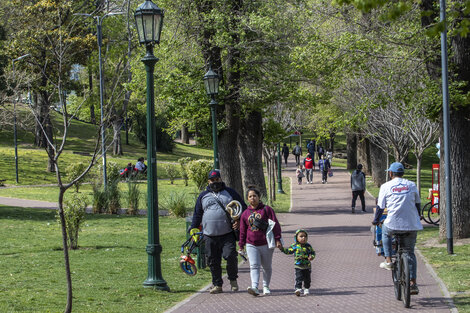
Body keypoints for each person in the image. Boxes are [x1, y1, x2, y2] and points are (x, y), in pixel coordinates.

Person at [189, 169, 247, 294]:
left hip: (227, 234)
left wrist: (239, 220)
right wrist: (193, 228)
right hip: (209, 235)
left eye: (217, 179)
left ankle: (233, 280)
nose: (215, 182)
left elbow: (243, 208)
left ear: (221, 179)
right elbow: (197, 214)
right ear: (208, 181)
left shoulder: (230, 193)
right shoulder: (203, 196)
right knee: (212, 260)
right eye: (212, 180)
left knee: (231, 256)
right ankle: (217, 285)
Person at [372, 162, 422, 295]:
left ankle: (388, 259)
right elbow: (417, 203)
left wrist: (376, 220)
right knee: (410, 252)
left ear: (390, 173)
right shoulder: (411, 185)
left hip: (393, 223)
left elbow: (380, 206)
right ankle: (413, 283)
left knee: (386, 232)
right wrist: (418, 215)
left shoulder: (386, 186)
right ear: (403, 173)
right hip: (411, 224)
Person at [238, 186, 283, 296]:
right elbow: (243, 230)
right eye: (250, 196)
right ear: (247, 199)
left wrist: (277, 239)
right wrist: (241, 244)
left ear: (259, 197)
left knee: (266, 266)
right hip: (251, 244)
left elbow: (275, 225)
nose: (252, 198)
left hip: (266, 243)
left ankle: (266, 285)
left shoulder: (266, 210)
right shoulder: (245, 214)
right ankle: (255, 287)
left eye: (254, 196)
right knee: (254, 265)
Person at [280, 229, 315, 296]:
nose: (303, 238)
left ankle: (306, 288)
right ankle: (298, 289)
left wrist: (312, 257)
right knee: (299, 278)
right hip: (298, 266)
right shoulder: (295, 246)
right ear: (296, 238)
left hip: (307, 265)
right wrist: (282, 248)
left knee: (307, 278)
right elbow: (288, 251)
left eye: (305, 236)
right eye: (301, 236)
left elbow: (312, 253)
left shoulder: (308, 246)